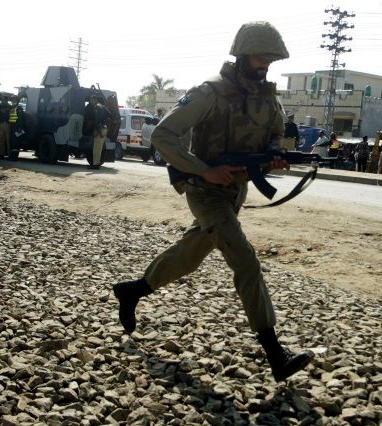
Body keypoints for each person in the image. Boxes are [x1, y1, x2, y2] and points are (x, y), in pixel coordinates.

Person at [112, 21, 311, 383]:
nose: (265, 63)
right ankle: (275, 353)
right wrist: (203, 171)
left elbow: (274, 139)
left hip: (235, 190)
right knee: (245, 260)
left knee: (188, 257)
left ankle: (132, 291)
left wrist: (275, 157)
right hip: (206, 191)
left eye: (270, 58)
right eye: (259, 56)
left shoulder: (268, 98)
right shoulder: (210, 92)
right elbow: (163, 135)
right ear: (240, 54)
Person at [82, 94, 111, 169]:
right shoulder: (102, 106)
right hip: (104, 128)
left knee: (96, 148)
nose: (91, 101)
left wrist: (98, 131)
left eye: (92, 100)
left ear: (96, 100)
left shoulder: (97, 107)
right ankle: (96, 163)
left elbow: (97, 120)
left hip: (100, 129)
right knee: (99, 148)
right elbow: (109, 115)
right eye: (90, 100)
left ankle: (95, 165)